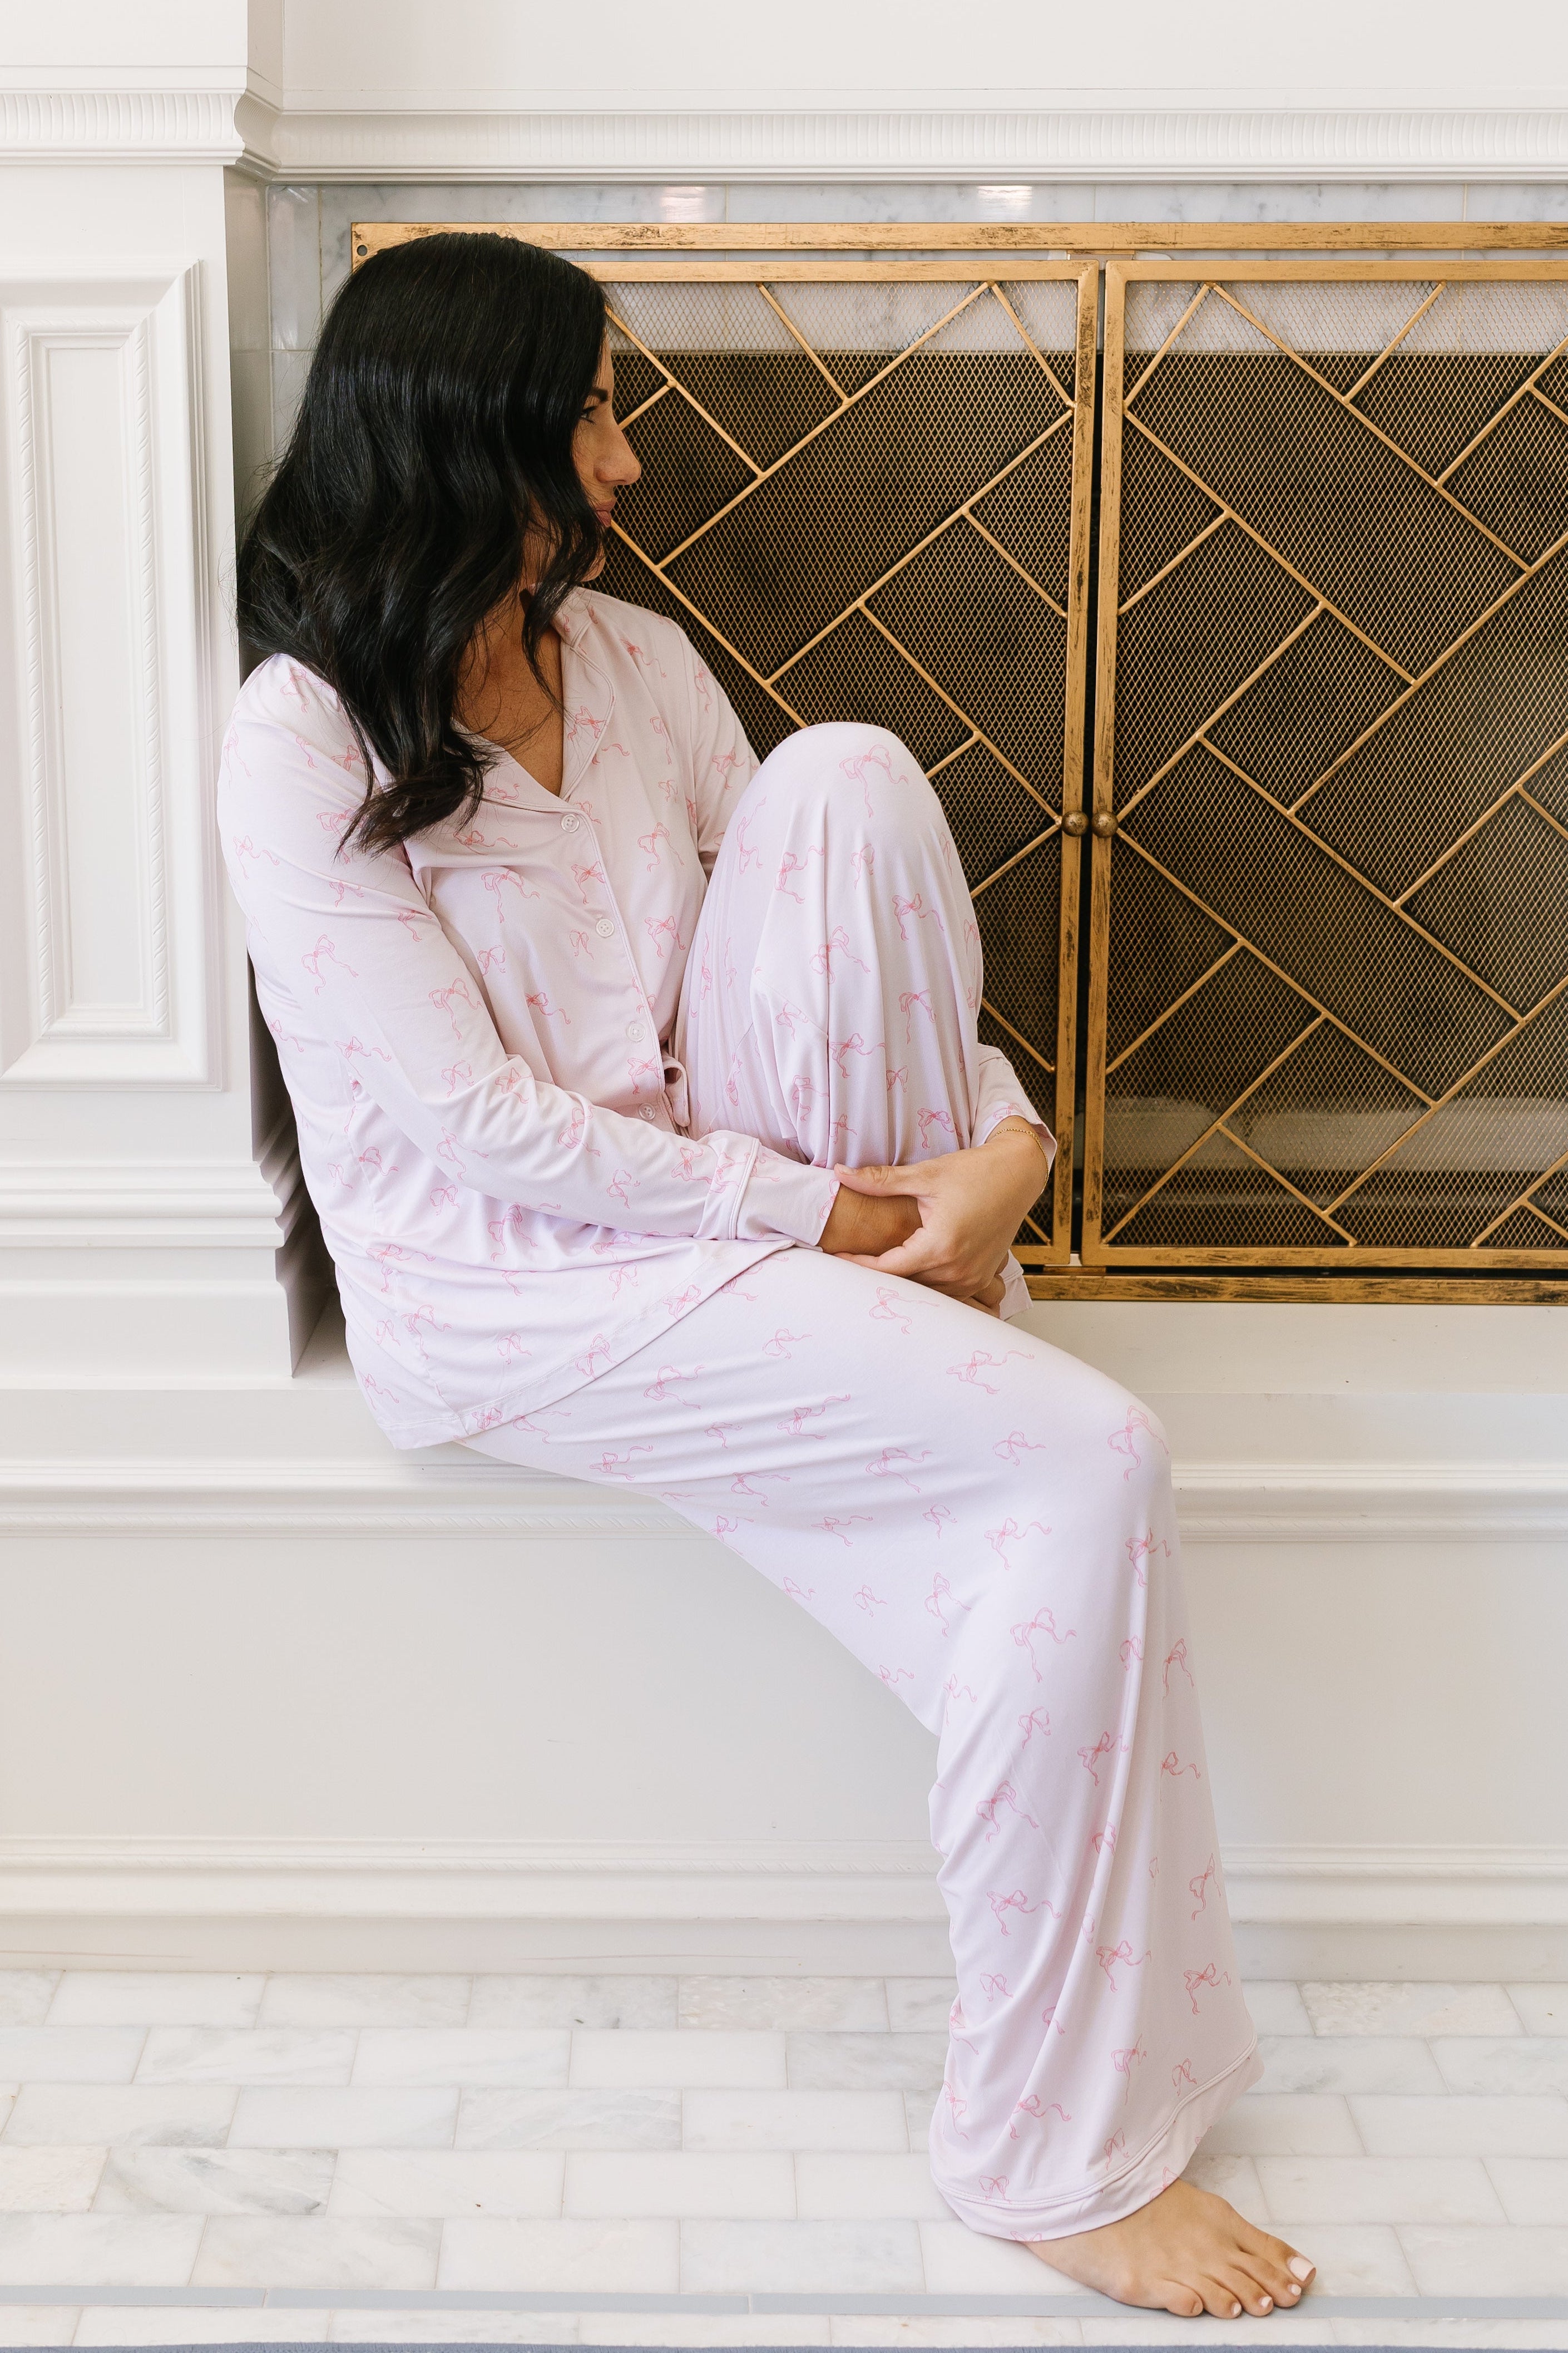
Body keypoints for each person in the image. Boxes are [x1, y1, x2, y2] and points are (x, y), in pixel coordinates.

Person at [221, 229, 1316, 2319]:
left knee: (848, 779)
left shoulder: (627, 667)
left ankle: (942, 1294)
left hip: (745, 1197)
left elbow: (811, 938)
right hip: (516, 1287)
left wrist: (1007, 1144)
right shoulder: (301, 744)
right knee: (1085, 1472)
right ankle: (1043, 2153)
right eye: (592, 414)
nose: (625, 466)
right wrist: (826, 1226)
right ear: (473, 437)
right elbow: (470, 1128)